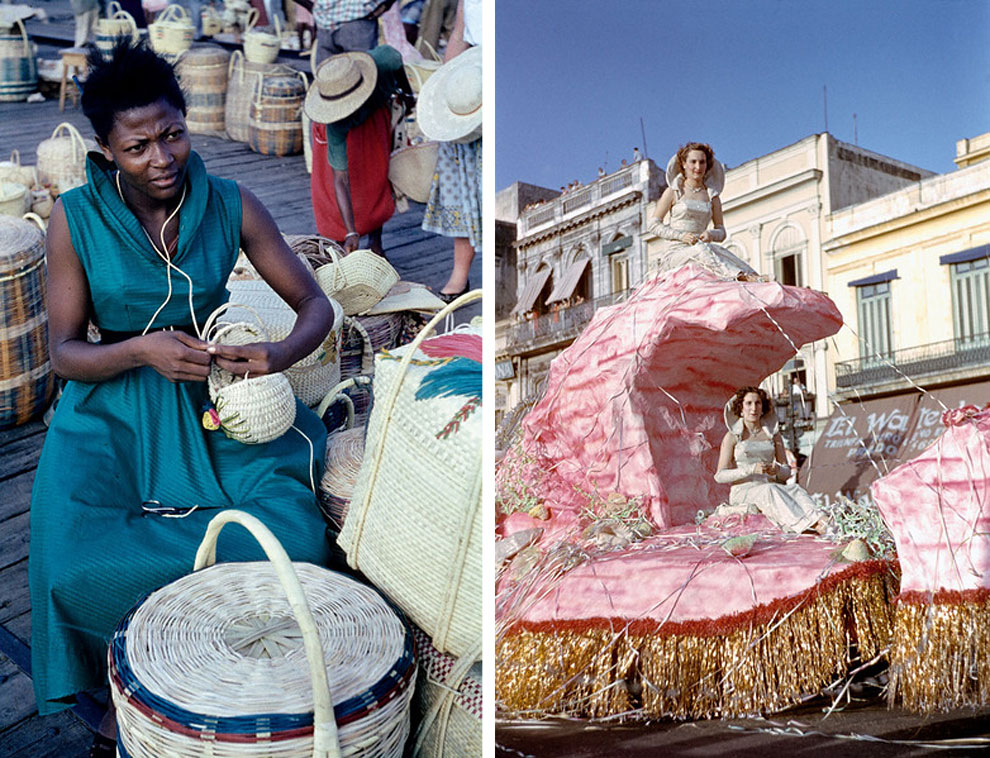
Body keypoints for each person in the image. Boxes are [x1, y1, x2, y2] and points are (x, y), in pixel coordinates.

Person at [29, 42, 334, 754]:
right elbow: (65, 352)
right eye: (137, 146)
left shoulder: (232, 202)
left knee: (294, 538)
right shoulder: (74, 218)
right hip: (110, 405)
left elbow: (314, 304)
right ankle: (120, 680)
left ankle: (216, 669)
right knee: (70, 563)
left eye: (173, 134)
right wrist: (140, 349)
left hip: (216, 401)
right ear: (105, 151)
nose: (162, 157)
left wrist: (278, 355)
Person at [304, 44, 412, 254]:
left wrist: (407, 93)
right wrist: (351, 232)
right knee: (336, 189)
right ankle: (338, 239)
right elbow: (340, 179)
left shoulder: (383, 61)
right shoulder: (335, 123)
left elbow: (396, 60)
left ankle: (376, 242)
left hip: (376, 119)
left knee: (376, 177)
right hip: (345, 134)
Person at [417, 0, 480, 302]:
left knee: (480, 183)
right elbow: (458, 34)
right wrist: (442, 92)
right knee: (460, 186)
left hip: (486, 84)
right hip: (467, 89)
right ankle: (460, 273)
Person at [714, 386, 827, 534]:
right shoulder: (733, 436)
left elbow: (786, 473)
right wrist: (750, 469)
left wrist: (777, 469)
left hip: (769, 487)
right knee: (770, 489)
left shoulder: (773, 434)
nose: (753, 408)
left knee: (796, 489)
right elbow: (719, 476)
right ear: (741, 408)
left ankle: (823, 520)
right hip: (743, 492)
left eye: (758, 403)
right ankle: (807, 526)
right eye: (748, 403)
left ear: (763, 408)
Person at [650, 142, 764, 281]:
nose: (698, 167)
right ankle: (739, 277)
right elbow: (653, 225)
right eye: (693, 162)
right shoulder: (673, 192)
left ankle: (751, 276)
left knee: (719, 251)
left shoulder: (712, 196)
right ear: (684, 164)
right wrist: (681, 236)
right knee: (702, 251)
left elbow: (721, 231)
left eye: (702, 162)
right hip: (677, 253)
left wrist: (711, 234)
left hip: (702, 248)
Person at [293, 0, 396, 61]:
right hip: (356, 21)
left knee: (330, 86)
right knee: (361, 83)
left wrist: (312, 7)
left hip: (332, 20)